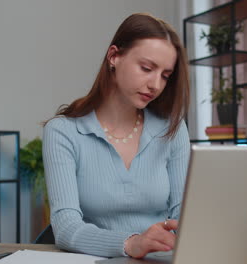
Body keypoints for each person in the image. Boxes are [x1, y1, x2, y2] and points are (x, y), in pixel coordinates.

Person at [42, 13, 190, 258]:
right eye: (146, 68)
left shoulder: (172, 129)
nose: (156, 85)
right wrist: (132, 243)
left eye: (165, 75)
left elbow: (183, 216)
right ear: (114, 57)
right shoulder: (63, 132)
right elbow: (66, 227)